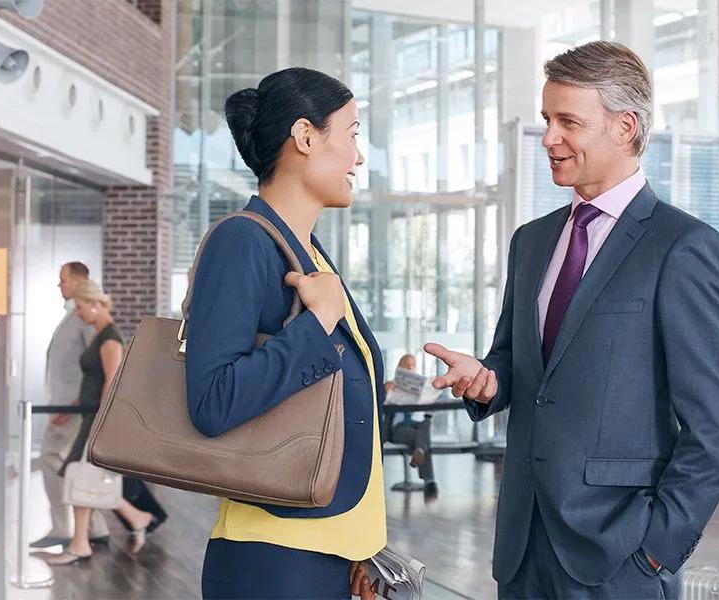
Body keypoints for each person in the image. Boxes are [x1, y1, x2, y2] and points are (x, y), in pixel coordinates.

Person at [425, 41, 719, 599]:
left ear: (625, 127)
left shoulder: (683, 247)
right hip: (523, 550)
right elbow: (518, 361)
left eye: (568, 121)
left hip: (621, 558)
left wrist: (655, 550)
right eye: (548, 119)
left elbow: (717, 425)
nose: (548, 138)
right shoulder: (532, 242)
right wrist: (487, 379)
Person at [185, 68, 381, 600]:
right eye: (353, 133)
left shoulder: (308, 253)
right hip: (272, 561)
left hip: (324, 554)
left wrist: (360, 547)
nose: (359, 157)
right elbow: (212, 400)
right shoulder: (242, 242)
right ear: (305, 136)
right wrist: (316, 325)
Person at [47, 280, 159, 565]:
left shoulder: (109, 338)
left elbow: (111, 382)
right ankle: (133, 518)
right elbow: (94, 381)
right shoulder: (98, 334)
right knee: (81, 475)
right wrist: (75, 405)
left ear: (96, 304)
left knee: (79, 474)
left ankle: (82, 543)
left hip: (96, 418)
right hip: (88, 414)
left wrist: (101, 423)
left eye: (81, 308)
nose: (79, 314)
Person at [31, 262, 110, 549]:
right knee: (73, 466)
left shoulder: (85, 320)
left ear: (78, 281)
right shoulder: (73, 317)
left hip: (73, 408)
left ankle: (65, 527)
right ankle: (95, 527)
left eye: (63, 280)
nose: (59, 285)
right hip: (64, 405)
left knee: (55, 460)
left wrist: (75, 403)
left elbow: (97, 364)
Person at [384, 354, 438, 498]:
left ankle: (420, 450)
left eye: (413, 364)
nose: (410, 367)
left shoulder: (421, 385)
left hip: (418, 425)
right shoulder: (389, 385)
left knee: (424, 426)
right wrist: (386, 392)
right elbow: (378, 406)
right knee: (423, 439)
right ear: (399, 366)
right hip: (399, 429)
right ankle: (429, 481)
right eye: (406, 364)